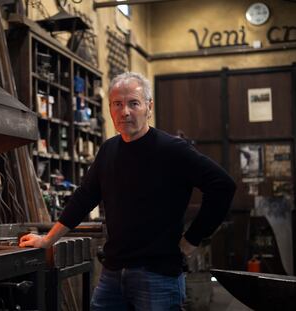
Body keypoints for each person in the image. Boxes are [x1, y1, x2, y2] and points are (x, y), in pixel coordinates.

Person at [20, 72, 236, 310]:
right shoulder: (108, 150)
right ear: (110, 109)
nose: (125, 112)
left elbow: (222, 186)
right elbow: (84, 198)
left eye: (133, 103)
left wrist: (192, 239)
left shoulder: (172, 150)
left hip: (158, 276)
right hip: (112, 273)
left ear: (148, 107)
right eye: (117, 104)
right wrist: (48, 239)